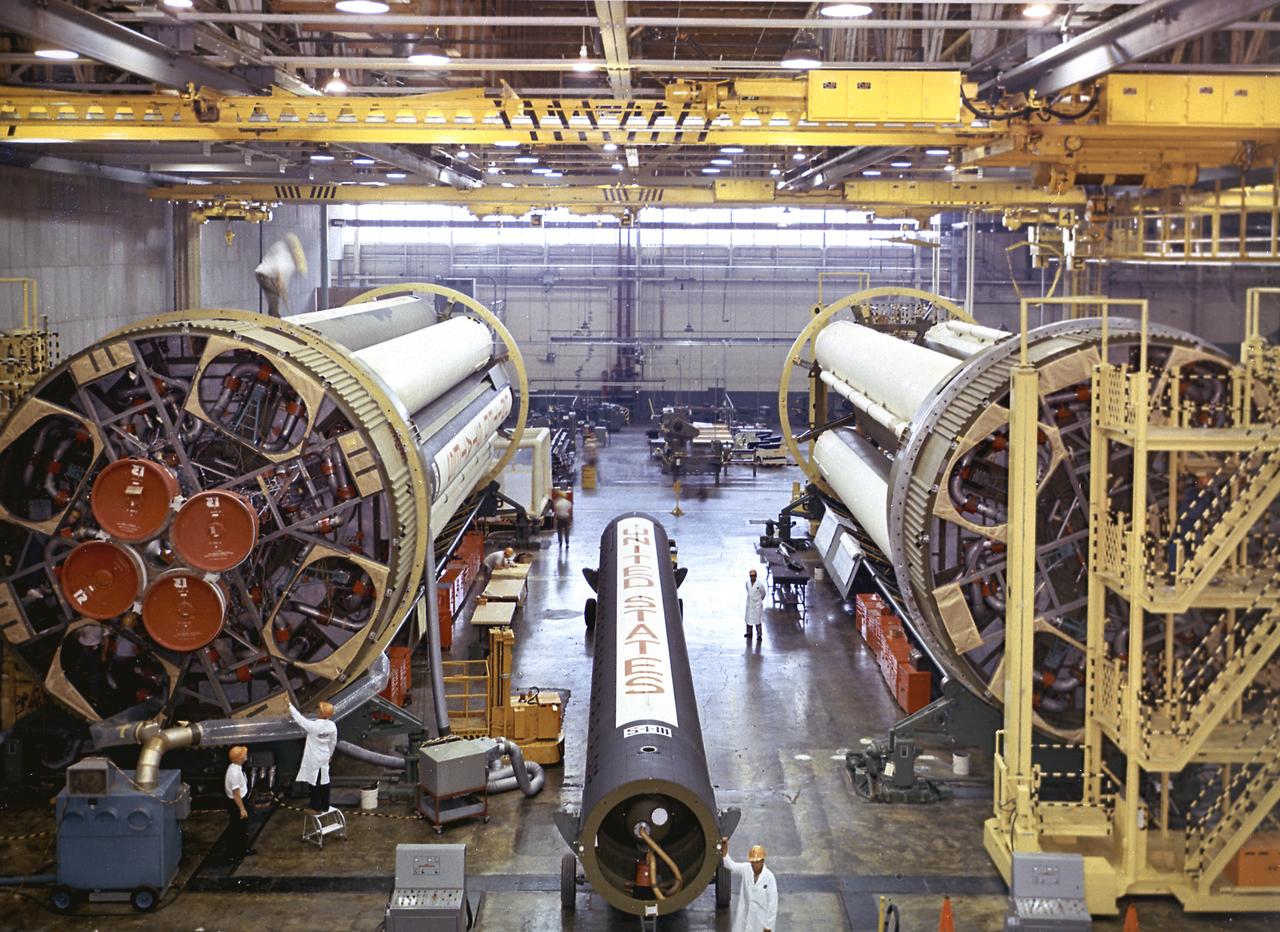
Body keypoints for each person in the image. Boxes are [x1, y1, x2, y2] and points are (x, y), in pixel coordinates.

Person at [288, 700, 338, 813]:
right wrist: (330, 755)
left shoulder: (314, 726)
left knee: (313, 781)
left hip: (314, 757)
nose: (316, 710)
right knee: (325, 780)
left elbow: (299, 719)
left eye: (318, 709)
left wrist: (289, 705)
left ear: (321, 713)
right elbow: (333, 743)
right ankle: (325, 806)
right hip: (325, 755)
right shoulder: (332, 726)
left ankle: (315, 806)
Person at [719, 838, 777, 932]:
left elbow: (772, 904)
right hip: (745, 918)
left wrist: (768, 926)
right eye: (753, 862)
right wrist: (725, 848)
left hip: (761, 922)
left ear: (762, 861)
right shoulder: (746, 869)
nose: (755, 865)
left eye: (757, 862)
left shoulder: (769, 878)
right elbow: (730, 865)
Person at [224, 746, 255, 859]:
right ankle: (234, 854)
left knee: (242, 829)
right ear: (239, 758)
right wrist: (242, 809)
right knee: (237, 829)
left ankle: (242, 849)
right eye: (244, 754)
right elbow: (236, 793)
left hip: (240, 799)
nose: (246, 755)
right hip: (237, 803)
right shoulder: (234, 773)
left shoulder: (236, 768)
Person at [744, 569, 767, 641]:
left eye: (754, 576)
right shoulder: (747, 583)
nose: (752, 577)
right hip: (750, 604)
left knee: (758, 620)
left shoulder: (759, 585)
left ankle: (759, 635)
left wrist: (759, 600)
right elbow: (748, 590)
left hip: (757, 605)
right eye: (751, 576)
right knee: (749, 619)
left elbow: (763, 593)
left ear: (756, 576)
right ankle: (749, 633)